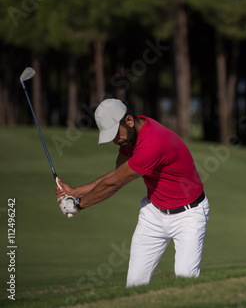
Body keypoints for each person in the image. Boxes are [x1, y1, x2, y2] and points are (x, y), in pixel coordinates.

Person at [55, 98, 209, 287]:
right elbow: (117, 174)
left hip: (188, 215)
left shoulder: (151, 144)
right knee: (134, 286)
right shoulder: (132, 134)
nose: (114, 140)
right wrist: (75, 191)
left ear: (128, 120)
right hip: (154, 213)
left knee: (186, 284)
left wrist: (77, 205)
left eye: (114, 133)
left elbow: (114, 184)